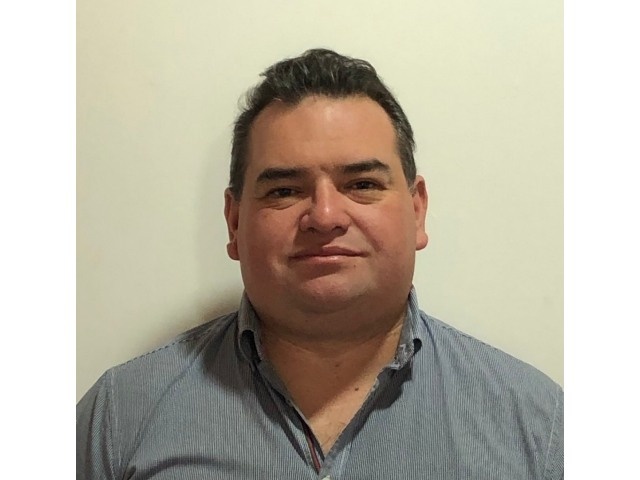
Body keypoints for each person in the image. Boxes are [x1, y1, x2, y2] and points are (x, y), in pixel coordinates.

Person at [77, 48, 563, 479]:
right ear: (234, 222)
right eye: (284, 190)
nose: (326, 216)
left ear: (417, 211)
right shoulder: (120, 419)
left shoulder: (540, 430)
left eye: (362, 184)